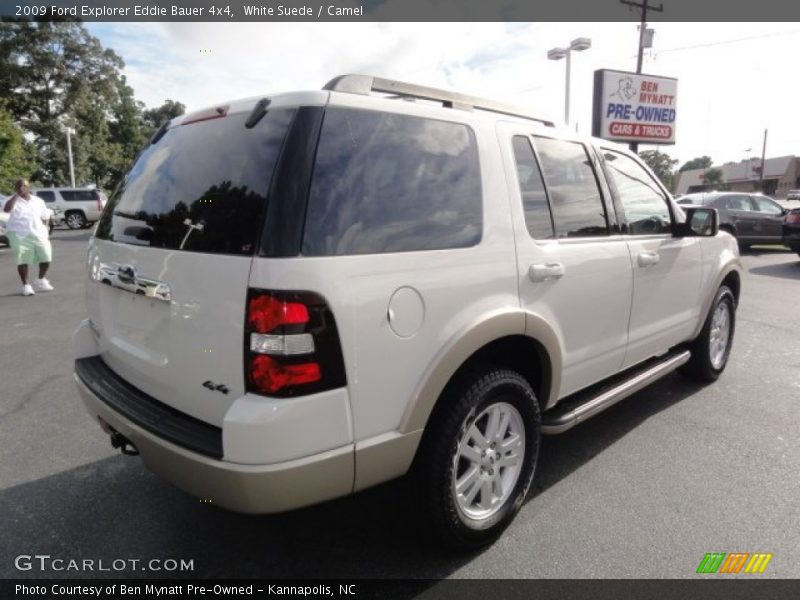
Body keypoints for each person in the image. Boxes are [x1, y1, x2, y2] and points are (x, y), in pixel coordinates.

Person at [3, 178, 54, 296]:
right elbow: (7, 209)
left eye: (24, 186)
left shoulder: (38, 201)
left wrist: (45, 229)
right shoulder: (10, 200)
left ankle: (40, 279)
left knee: (46, 257)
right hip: (19, 234)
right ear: (15, 188)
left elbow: (45, 216)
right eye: (19, 186)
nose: (21, 188)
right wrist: (16, 196)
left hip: (38, 233)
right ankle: (26, 285)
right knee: (22, 259)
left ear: (29, 187)